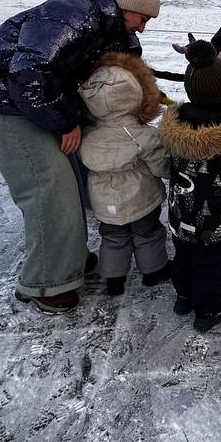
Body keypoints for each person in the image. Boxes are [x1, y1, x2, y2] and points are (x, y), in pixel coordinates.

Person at [0, 0, 163, 314]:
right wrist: (67, 121)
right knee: (48, 185)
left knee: (70, 176)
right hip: (2, 101)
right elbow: (28, 72)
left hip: (30, 100)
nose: (143, 29)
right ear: (128, 6)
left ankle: (64, 258)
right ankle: (46, 283)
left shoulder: (101, 25)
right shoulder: (74, 15)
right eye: (143, 19)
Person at [158, 40, 221, 332]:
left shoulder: (176, 127)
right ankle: (208, 309)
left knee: (183, 255)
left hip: (182, 214)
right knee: (210, 263)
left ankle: (184, 297)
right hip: (218, 218)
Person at [77, 52, 170, 296]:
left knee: (112, 237)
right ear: (136, 94)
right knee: (147, 233)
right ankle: (153, 271)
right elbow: (160, 164)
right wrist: (171, 173)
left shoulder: (87, 135)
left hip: (104, 201)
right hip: (141, 198)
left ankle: (114, 279)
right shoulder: (143, 135)